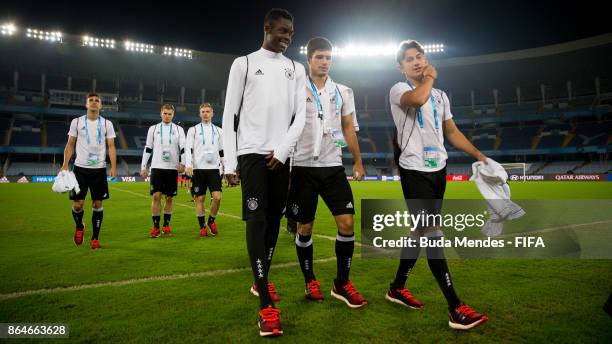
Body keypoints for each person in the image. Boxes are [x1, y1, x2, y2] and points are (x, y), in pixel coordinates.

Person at [387, 40, 488, 330]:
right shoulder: (398, 90)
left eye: (420, 57)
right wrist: (429, 77)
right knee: (432, 231)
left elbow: (452, 131)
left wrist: (479, 155)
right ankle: (455, 307)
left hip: (438, 169)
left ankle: (397, 287)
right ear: (401, 67)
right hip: (414, 171)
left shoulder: (441, 96)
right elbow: (417, 100)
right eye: (409, 59)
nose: (417, 62)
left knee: (419, 231)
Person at [222, 8, 306, 337]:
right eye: (282, 31)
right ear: (267, 28)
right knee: (257, 221)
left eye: (291, 33)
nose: (287, 37)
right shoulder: (243, 63)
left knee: (273, 222)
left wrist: (284, 149)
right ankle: (266, 307)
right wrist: (230, 162)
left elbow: (299, 116)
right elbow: (230, 114)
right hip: (251, 154)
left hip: (281, 155)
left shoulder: (296, 69)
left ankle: (260, 281)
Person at [286, 37, 367, 308]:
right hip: (302, 167)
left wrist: (357, 161)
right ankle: (309, 279)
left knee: (347, 224)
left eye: (328, 57)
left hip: (333, 167)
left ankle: (341, 283)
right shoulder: (295, 88)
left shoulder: (344, 91)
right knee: (304, 227)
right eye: (319, 57)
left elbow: (348, 128)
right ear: (309, 59)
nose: (324, 62)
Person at [61, 93, 117, 250]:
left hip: (99, 169)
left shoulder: (107, 124)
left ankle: (95, 238)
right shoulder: (77, 122)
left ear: (100, 105)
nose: (94, 103)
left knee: (97, 203)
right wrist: (65, 164)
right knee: (78, 205)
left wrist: (113, 167)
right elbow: (70, 144)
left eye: (97, 101)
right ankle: (80, 226)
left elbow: (111, 146)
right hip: (80, 169)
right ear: (86, 104)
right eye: (91, 100)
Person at [140, 104, 186, 238]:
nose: (167, 116)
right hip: (156, 167)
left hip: (172, 168)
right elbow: (148, 148)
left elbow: (183, 148)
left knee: (169, 198)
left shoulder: (179, 129)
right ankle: (155, 227)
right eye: (165, 113)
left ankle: (166, 225)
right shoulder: (153, 129)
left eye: (170, 114)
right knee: (156, 196)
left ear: (173, 115)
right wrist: (144, 166)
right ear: (161, 113)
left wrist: (183, 163)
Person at [185, 103, 224, 237]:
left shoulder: (219, 131)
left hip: (214, 169)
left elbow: (222, 151)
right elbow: (188, 149)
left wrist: (225, 167)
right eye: (203, 111)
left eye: (208, 111)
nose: (205, 114)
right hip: (198, 169)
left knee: (217, 198)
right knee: (200, 199)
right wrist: (188, 165)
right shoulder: (193, 130)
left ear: (212, 113)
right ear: (199, 113)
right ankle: (202, 227)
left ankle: (211, 221)